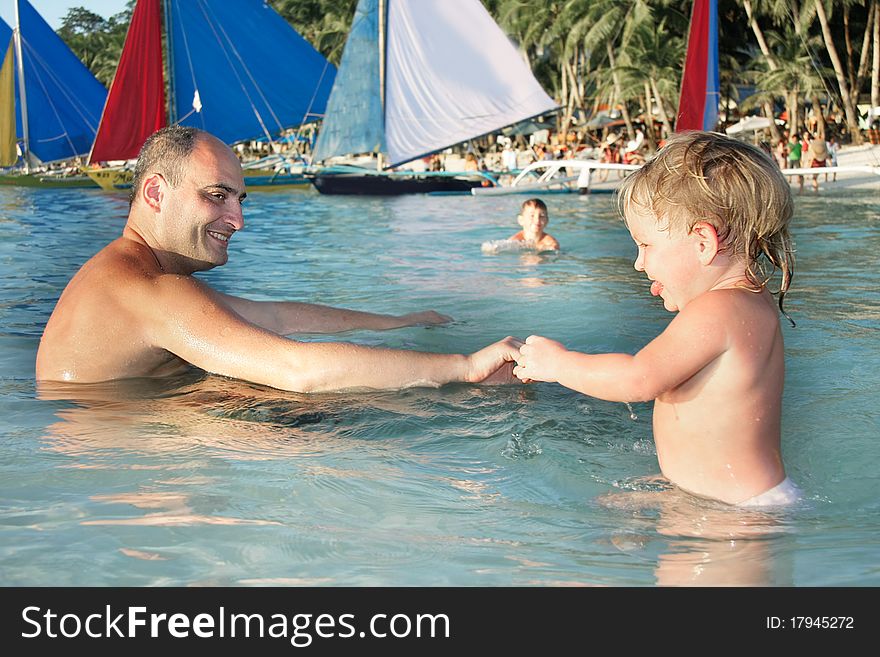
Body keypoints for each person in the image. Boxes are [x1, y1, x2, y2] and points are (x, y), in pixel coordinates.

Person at [36, 127, 522, 392]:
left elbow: (278, 316)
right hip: (122, 456)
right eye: (217, 195)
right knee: (365, 419)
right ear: (156, 193)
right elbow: (301, 371)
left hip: (113, 431)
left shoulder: (137, 274)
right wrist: (465, 366)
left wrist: (399, 321)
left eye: (240, 200)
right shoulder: (150, 290)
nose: (237, 219)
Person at [513, 131, 800, 507]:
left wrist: (557, 363)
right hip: (728, 501)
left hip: (736, 516)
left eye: (645, 245)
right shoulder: (745, 303)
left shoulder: (720, 309)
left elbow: (638, 378)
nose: (639, 262)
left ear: (703, 243)